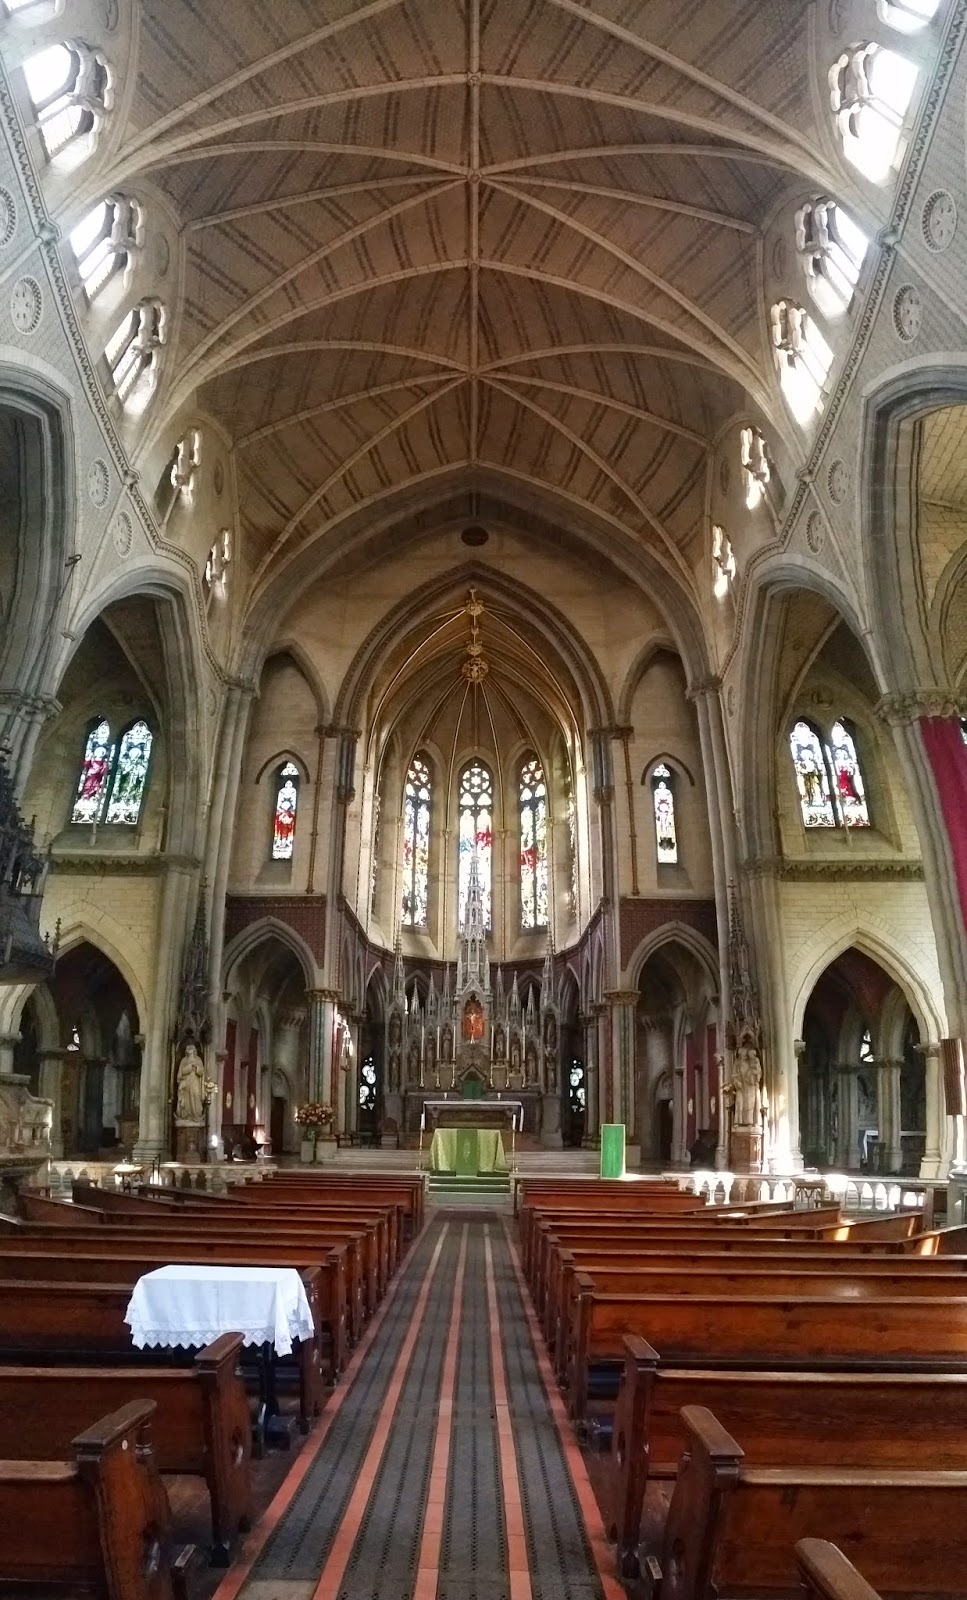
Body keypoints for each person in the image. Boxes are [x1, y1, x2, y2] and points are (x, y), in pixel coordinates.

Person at [175, 1042, 205, 1122]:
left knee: (195, 1095)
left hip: (195, 1081)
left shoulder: (198, 1060)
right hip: (186, 1082)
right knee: (186, 1098)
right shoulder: (183, 1060)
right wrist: (189, 1068)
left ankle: (196, 1115)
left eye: (192, 1050)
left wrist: (196, 1068)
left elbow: (202, 1072)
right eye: (188, 1050)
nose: (190, 1051)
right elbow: (180, 1072)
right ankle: (185, 1116)